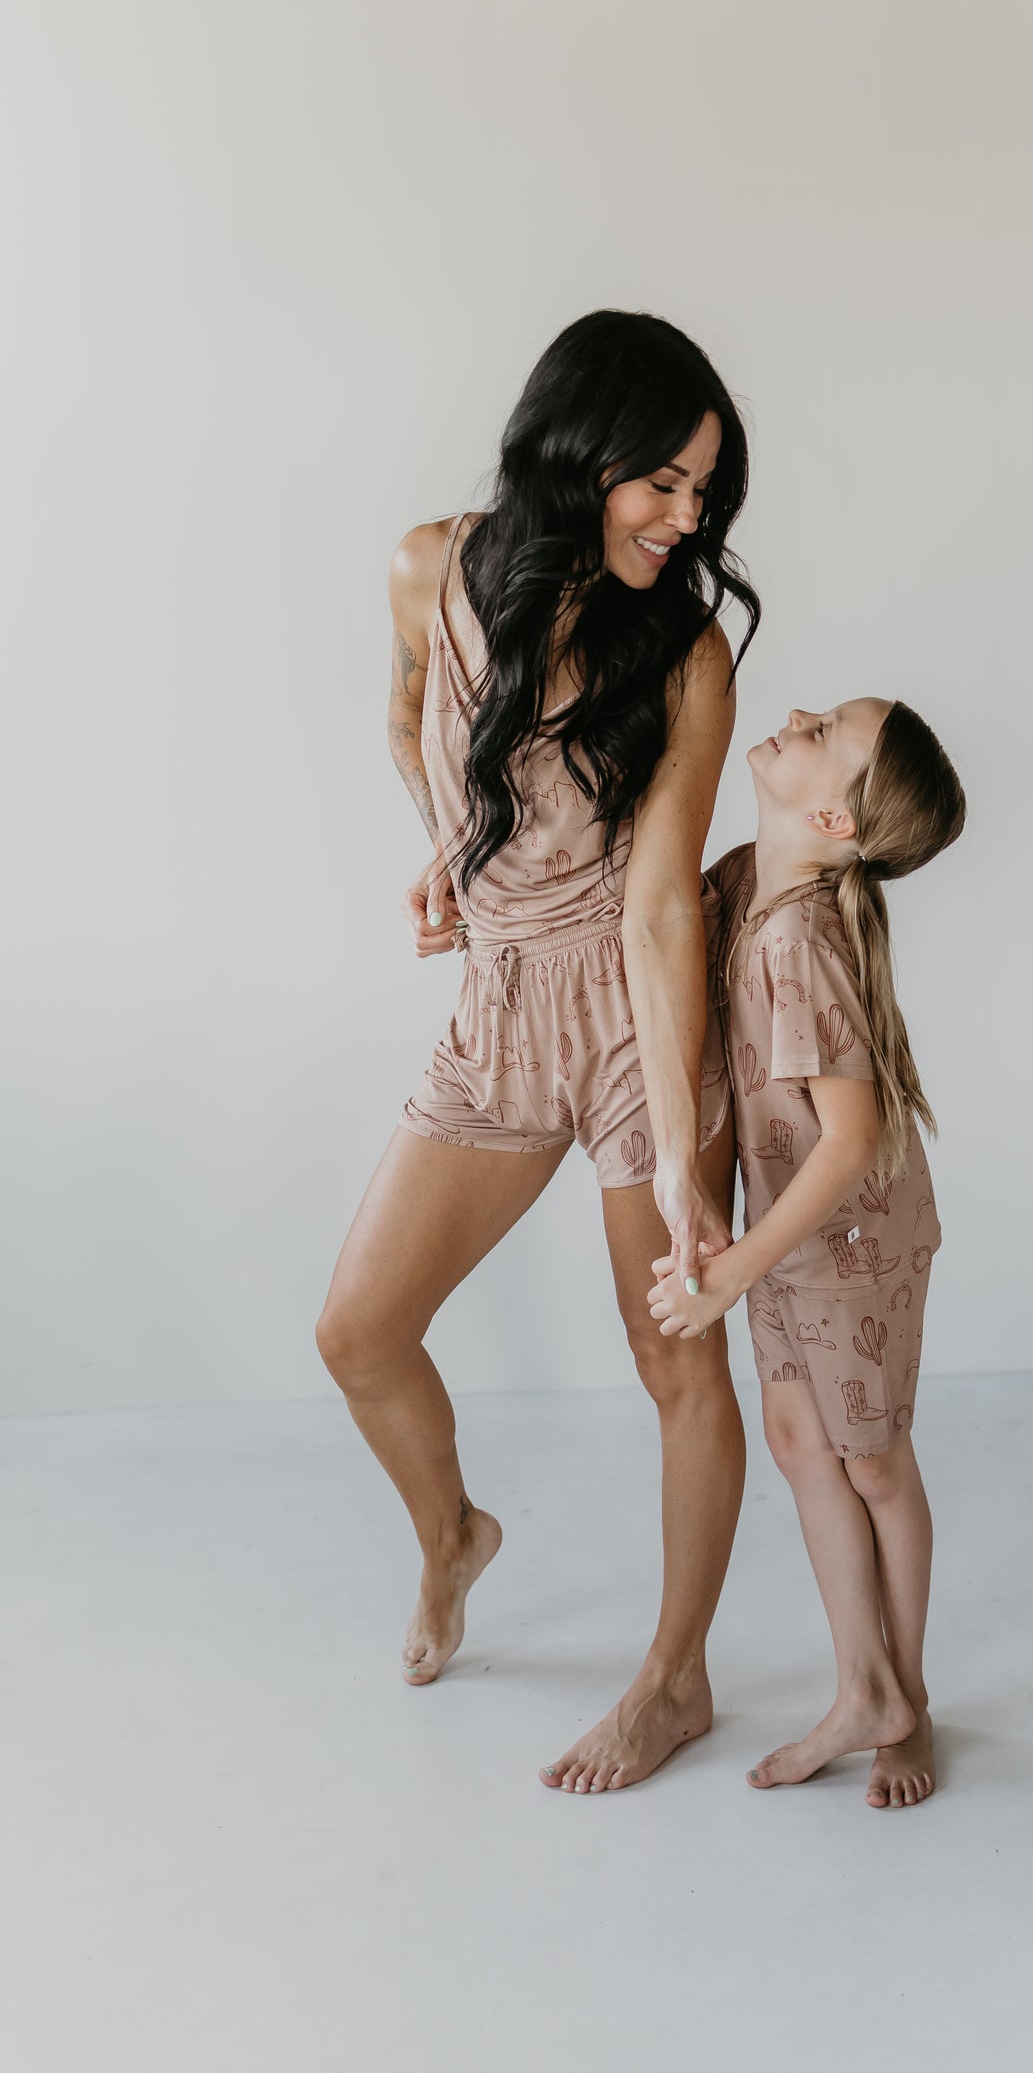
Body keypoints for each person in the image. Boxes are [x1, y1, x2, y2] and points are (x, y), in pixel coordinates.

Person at [317, 311, 760, 1794]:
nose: (686, 518)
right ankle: (453, 1534)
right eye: (664, 482)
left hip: (641, 1010)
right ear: (581, 450)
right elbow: (403, 716)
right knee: (359, 1330)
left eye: (705, 494)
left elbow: (655, 915)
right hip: (502, 1000)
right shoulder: (428, 565)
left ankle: (675, 1679)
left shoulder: (688, 653)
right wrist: (449, 845)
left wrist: (699, 1192)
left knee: (674, 1345)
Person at [650, 697, 965, 1806]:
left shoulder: (796, 940)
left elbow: (850, 1142)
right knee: (797, 1438)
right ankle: (861, 1683)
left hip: (851, 1237)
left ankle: (903, 1699)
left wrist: (732, 1266)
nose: (794, 713)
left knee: (871, 1460)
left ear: (833, 813)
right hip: (790, 1231)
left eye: (825, 728)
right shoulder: (748, 881)